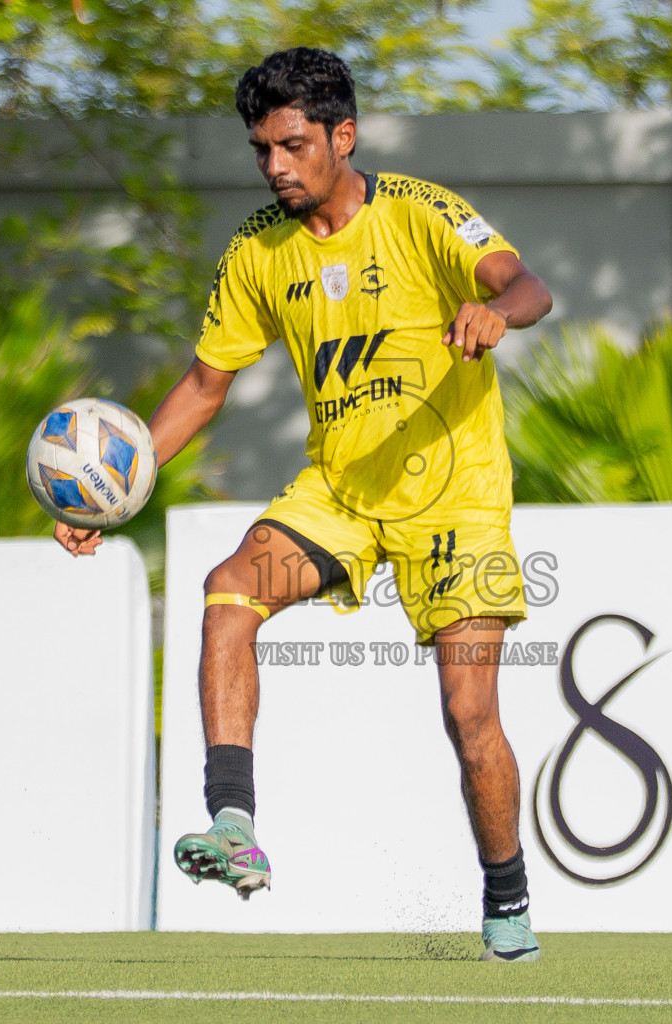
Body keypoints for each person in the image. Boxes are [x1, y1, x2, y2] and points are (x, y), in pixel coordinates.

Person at [53, 47, 552, 962]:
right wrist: (112, 491)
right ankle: (233, 823)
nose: (275, 165)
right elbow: (205, 387)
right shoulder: (255, 250)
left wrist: (497, 314)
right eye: (260, 149)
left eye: (292, 145)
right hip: (340, 495)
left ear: (342, 136)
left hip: (458, 501)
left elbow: (528, 285)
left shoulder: (421, 212)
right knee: (227, 589)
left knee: (470, 720)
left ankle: (508, 895)